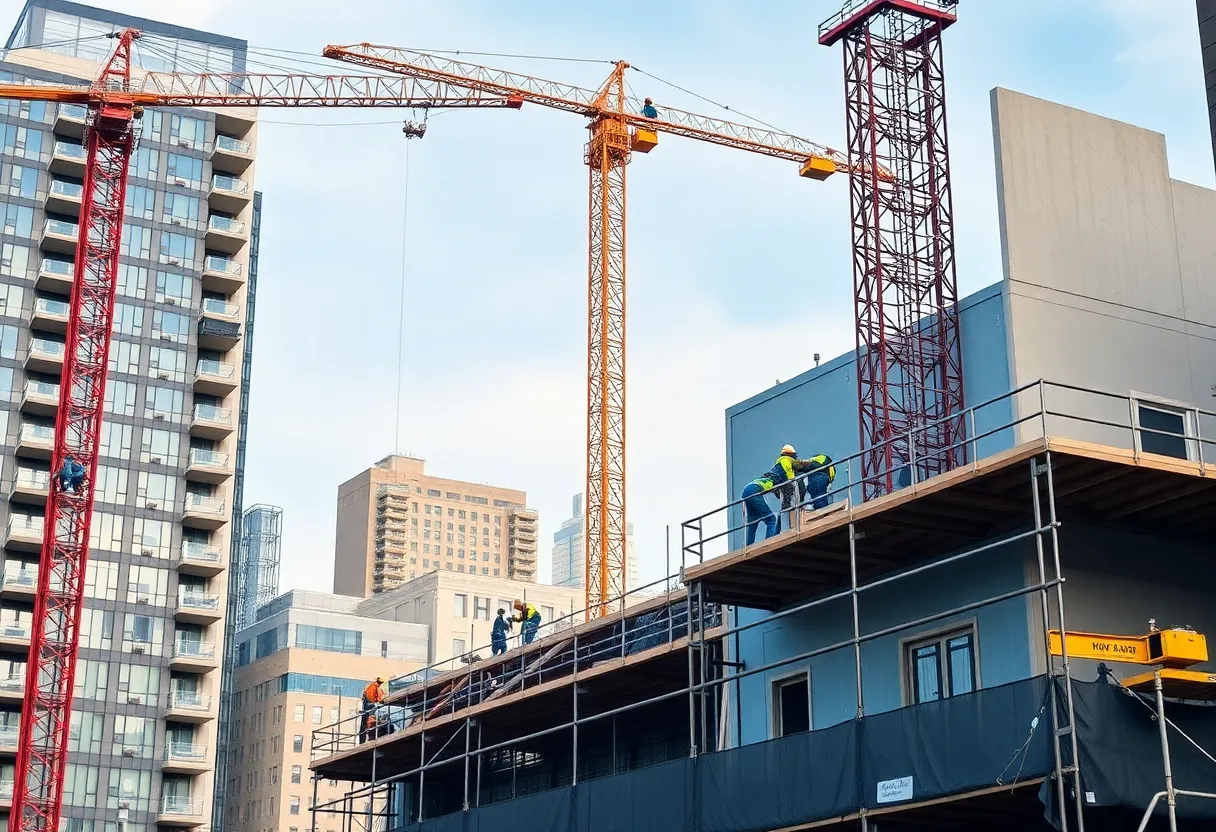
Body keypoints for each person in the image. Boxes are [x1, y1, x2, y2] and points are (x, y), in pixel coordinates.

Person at [768, 445, 832, 526]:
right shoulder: (789, 463)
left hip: (818, 476)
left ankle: (821, 517)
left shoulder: (820, 459)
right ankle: (821, 517)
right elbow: (794, 482)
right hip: (814, 479)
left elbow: (825, 461)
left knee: (815, 491)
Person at [740, 473, 778, 546]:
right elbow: (777, 493)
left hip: (745, 493)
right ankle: (769, 543)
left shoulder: (759, 480)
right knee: (771, 518)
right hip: (753, 492)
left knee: (753, 522)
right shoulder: (770, 481)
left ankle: (748, 547)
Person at [360, 676, 386, 742]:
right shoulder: (372, 687)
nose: (379, 684)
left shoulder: (376, 688)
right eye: (379, 682)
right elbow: (370, 697)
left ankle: (363, 739)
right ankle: (362, 740)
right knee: (365, 723)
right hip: (369, 705)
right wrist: (376, 702)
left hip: (370, 705)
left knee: (366, 723)